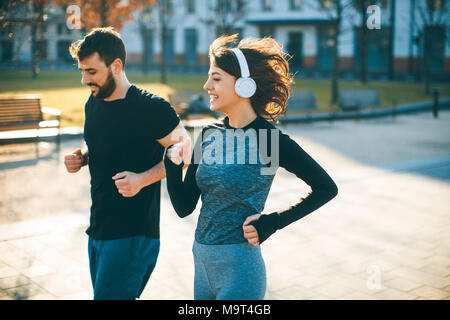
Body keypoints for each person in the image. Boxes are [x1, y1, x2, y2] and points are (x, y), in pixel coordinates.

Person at [164, 34, 338, 300]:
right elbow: (184, 206)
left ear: (244, 85)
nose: (206, 85)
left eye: (217, 78)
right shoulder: (208, 134)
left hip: (240, 270)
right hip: (201, 262)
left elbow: (326, 188)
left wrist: (273, 222)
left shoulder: (267, 140)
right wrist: (172, 165)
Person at [64, 27, 189, 300]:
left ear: (116, 65)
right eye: (82, 71)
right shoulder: (93, 101)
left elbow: (187, 150)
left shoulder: (151, 107)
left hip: (132, 235)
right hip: (98, 228)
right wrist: (82, 157)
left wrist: (142, 179)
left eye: (92, 71)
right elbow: (99, 141)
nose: (85, 79)